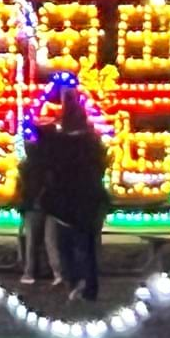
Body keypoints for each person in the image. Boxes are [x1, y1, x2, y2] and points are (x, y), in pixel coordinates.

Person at [41, 92, 110, 301]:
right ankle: (89, 286)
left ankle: (72, 281)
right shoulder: (93, 143)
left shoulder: (61, 144)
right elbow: (102, 166)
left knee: (65, 245)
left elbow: (51, 165)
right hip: (90, 202)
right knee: (87, 246)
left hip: (66, 204)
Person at [17, 122, 65, 286]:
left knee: (32, 240)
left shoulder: (32, 158)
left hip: (34, 202)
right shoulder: (57, 157)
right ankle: (57, 272)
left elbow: (25, 180)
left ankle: (29, 272)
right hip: (52, 204)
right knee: (51, 240)